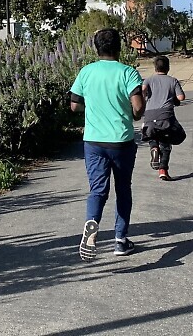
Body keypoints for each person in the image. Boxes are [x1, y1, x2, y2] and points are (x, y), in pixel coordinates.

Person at [70, 29, 145, 261]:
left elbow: (74, 105)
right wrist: (131, 112)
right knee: (123, 189)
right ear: (119, 47)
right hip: (121, 141)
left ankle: (92, 223)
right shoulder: (128, 72)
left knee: (98, 190)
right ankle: (120, 241)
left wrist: (92, 108)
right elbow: (138, 108)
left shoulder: (86, 72)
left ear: (96, 48)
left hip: (94, 141)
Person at [141, 55, 186, 181]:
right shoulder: (173, 81)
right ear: (168, 67)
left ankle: (154, 147)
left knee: (152, 134)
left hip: (149, 116)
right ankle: (163, 170)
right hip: (166, 116)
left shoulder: (148, 80)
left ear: (155, 68)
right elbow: (181, 97)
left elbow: (142, 92)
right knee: (166, 141)